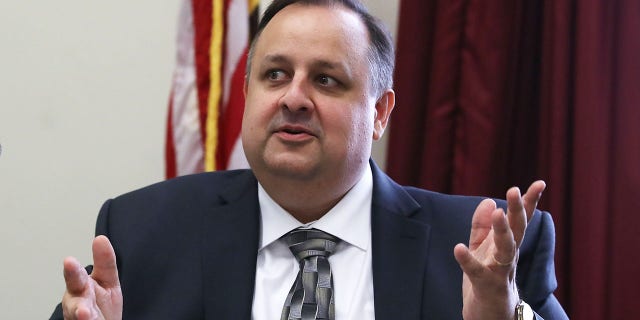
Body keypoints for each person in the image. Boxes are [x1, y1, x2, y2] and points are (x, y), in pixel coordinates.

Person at [51, 0, 568, 319]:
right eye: (274, 74)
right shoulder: (144, 231)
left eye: (326, 79)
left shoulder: (485, 251)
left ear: (381, 111)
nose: (293, 98)